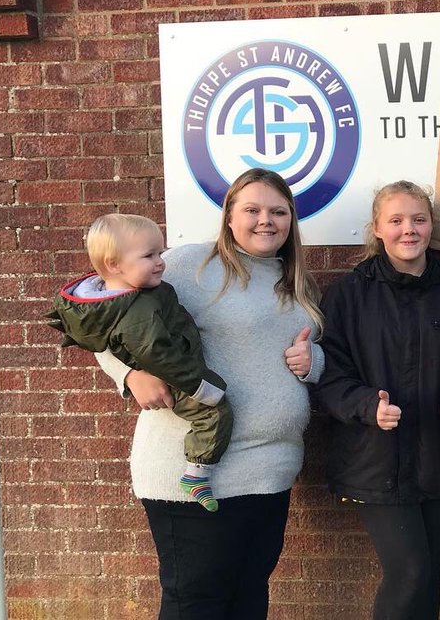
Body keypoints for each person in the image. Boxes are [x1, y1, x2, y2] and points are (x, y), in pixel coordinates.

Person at [93, 168, 325, 619]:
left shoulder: (296, 280)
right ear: (229, 216)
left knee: (248, 597)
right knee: (197, 603)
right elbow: (98, 312)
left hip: (271, 470)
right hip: (191, 472)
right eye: (252, 210)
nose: (266, 220)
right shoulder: (188, 265)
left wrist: (314, 363)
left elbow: (309, 350)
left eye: (278, 211)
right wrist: (129, 374)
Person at [313, 180, 440, 620]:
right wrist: (364, 405)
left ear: (432, 226)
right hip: (374, 459)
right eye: (395, 221)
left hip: (438, 457)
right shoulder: (348, 295)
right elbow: (328, 376)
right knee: (410, 571)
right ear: (377, 228)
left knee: (427, 575)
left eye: (418, 219)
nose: (407, 230)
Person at [47, 214, 233, 512]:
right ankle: (197, 474)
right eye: (149, 255)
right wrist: (201, 387)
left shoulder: (125, 296)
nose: (161, 262)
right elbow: (159, 355)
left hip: (174, 368)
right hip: (177, 379)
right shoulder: (137, 312)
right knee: (215, 413)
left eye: (160, 252)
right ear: (113, 265)